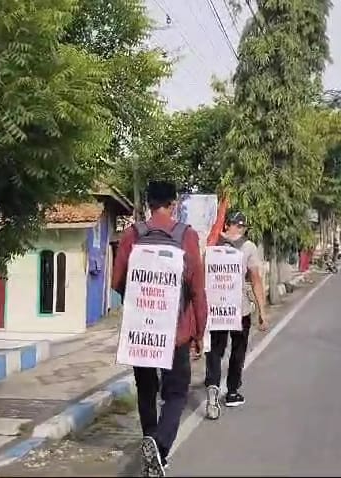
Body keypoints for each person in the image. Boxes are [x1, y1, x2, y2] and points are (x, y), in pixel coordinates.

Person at [112, 180, 208, 477]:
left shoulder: (132, 235)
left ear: (148, 204)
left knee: (146, 391)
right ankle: (159, 444)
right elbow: (197, 290)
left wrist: (141, 307)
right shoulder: (186, 236)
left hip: (142, 331)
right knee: (176, 393)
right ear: (174, 203)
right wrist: (199, 332)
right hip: (176, 333)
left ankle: (150, 446)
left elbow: (118, 282)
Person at [204, 211, 267, 420]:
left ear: (227, 225)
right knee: (238, 351)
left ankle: (213, 385)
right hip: (239, 309)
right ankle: (231, 392)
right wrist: (262, 312)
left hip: (216, 308)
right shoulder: (248, 247)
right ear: (242, 227)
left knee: (215, 350)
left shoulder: (212, 243)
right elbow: (256, 280)